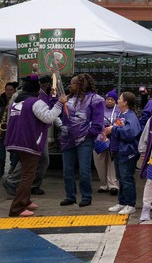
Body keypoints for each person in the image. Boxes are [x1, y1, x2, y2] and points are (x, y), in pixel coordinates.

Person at [5, 76, 64, 217]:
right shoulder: (36, 102)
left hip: (16, 141)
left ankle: (25, 201)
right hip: (29, 143)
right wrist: (59, 104)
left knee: (28, 173)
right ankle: (17, 207)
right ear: (37, 90)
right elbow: (48, 117)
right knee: (28, 175)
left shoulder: (18, 102)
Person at [60, 73, 105, 207]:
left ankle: (86, 196)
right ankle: (70, 196)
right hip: (67, 137)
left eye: (73, 83)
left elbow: (98, 122)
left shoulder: (95, 99)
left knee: (84, 170)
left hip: (85, 139)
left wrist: (89, 134)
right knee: (67, 170)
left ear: (80, 84)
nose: (70, 86)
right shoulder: (67, 98)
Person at [107, 92, 141, 215]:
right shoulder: (122, 114)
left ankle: (130, 204)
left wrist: (113, 129)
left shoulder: (130, 116)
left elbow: (130, 132)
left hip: (127, 152)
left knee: (126, 178)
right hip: (119, 150)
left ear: (125, 102)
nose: (118, 99)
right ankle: (122, 202)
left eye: (120, 98)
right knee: (121, 178)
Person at [94, 90, 120, 196]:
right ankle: (103, 184)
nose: (109, 101)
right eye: (108, 99)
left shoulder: (119, 110)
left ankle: (113, 185)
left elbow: (121, 121)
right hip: (100, 138)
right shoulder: (99, 109)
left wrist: (112, 128)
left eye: (112, 99)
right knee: (99, 161)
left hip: (113, 138)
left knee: (112, 162)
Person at [0, 82, 17, 180]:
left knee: (13, 152)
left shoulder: (17, 101)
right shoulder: (0, 100)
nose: (9, 92)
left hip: (13, 130)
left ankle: (13, 169)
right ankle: (0, 170)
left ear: (14, 91)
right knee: (1, 151)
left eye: (11, 90)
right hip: (2, 130)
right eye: (7, 90)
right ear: (5, 90)